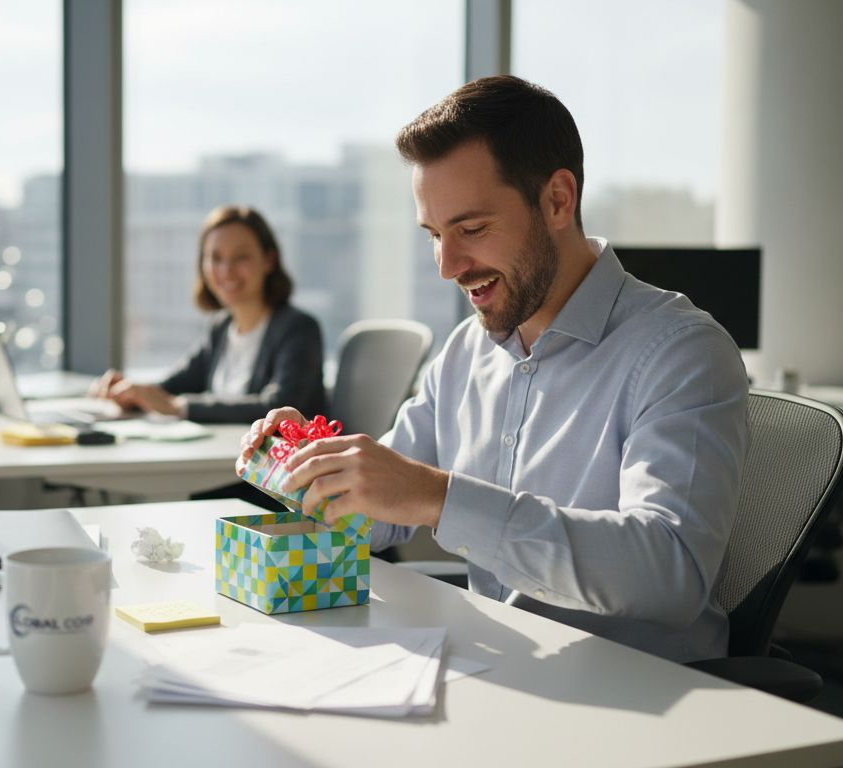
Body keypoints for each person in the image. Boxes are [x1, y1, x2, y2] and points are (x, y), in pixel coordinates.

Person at [236, 76, 749, 663]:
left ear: (558, 200)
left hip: (640, 700)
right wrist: (309, 470)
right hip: (501, 670)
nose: (447, 265)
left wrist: (438, 497)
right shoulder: (465, 352)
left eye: (472, 229)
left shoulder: (680, 352)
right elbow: (380, 516)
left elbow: (669, 573)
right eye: (434, 235)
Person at [91, 205, 327, 424]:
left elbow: (280, 408)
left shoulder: (299, 328)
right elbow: (174, 387)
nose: (226, 270)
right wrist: (129, 391)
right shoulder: (221, 327)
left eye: (241, 257)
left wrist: (180, 408)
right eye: (215, 258)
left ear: (269, 260)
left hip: (283, 466)